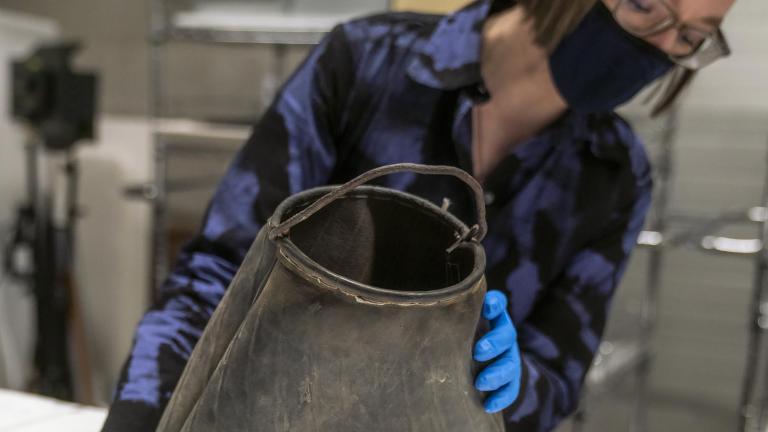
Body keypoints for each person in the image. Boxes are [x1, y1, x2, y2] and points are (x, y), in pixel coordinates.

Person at [102, 0, 736, 430]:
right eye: (648, 4)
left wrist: (512, 385)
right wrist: (141, 414)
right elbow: (217, 277)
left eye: (689, 36)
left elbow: (557, 374)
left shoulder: (614, 173)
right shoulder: (366, 66)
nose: (657, 44)